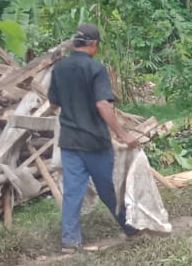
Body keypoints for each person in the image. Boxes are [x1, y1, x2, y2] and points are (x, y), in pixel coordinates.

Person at [48, 23, 147, 252]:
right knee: (108, 189)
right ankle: (130, 229)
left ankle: (70, 241)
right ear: (93, 45)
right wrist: (122, 134)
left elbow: (53, 103)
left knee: (73, 191)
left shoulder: (59, 68)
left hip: (70, 141)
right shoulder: (95, 68)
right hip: (95, 142)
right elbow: (103, 104)